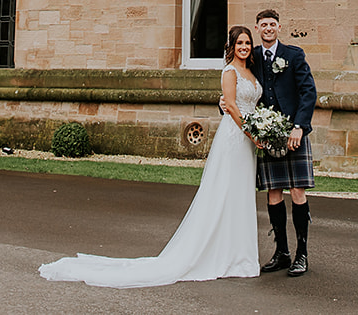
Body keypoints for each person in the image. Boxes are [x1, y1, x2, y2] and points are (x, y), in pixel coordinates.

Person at [38, 26, 262, 288]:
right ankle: (221, 253)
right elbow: (232, 105)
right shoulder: (230, 71)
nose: (244, 47)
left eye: (247, 43)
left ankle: (238, 253)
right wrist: (251, 132)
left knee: (240, 195)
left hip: (247, 142)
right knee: (223, 193)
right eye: (240, 43)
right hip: (236, 138)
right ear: (231, 46)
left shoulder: (251, 71)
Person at [252, 8, 317, 277]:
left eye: (272, 24)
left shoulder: (293, 55)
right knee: (274, 193)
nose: (268, 28)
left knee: (298, 192)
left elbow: (308, 91)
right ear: (257, 28)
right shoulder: (252, 56)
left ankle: (301, 254)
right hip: (267, 136)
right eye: (263, 24)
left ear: (279, 27)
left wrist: (300, 127)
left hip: (293, 133)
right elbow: (240, 88)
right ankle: (282, 252)